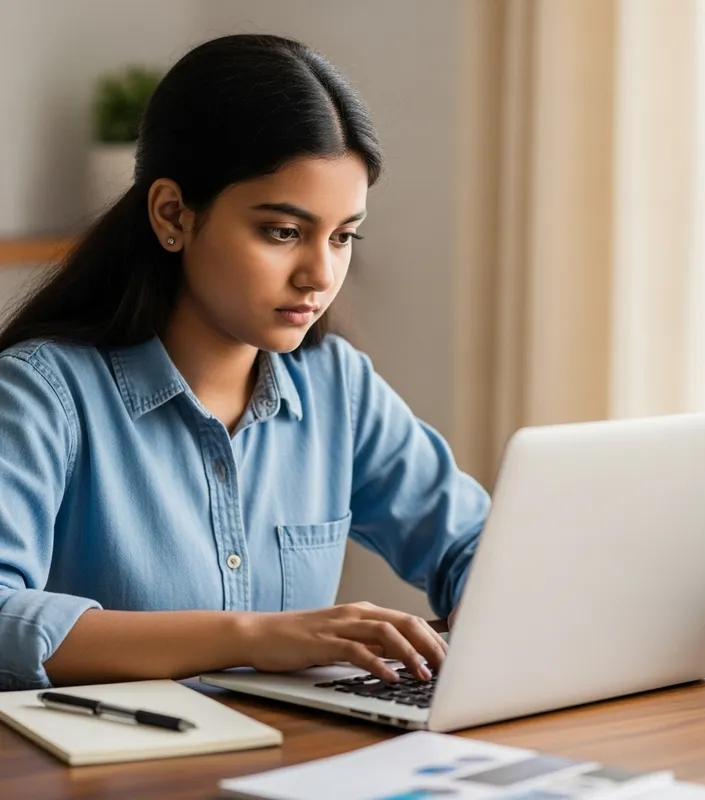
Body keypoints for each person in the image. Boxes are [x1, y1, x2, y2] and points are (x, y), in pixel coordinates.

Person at [0, 34, 489, 692]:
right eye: (283, 232)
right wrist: (254, 637)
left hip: (288, 765)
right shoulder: (42, 395)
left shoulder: (336, 387)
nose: (320, 273)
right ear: (173, 214)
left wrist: (497, 606)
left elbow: (475, 546)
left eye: (343, 236)